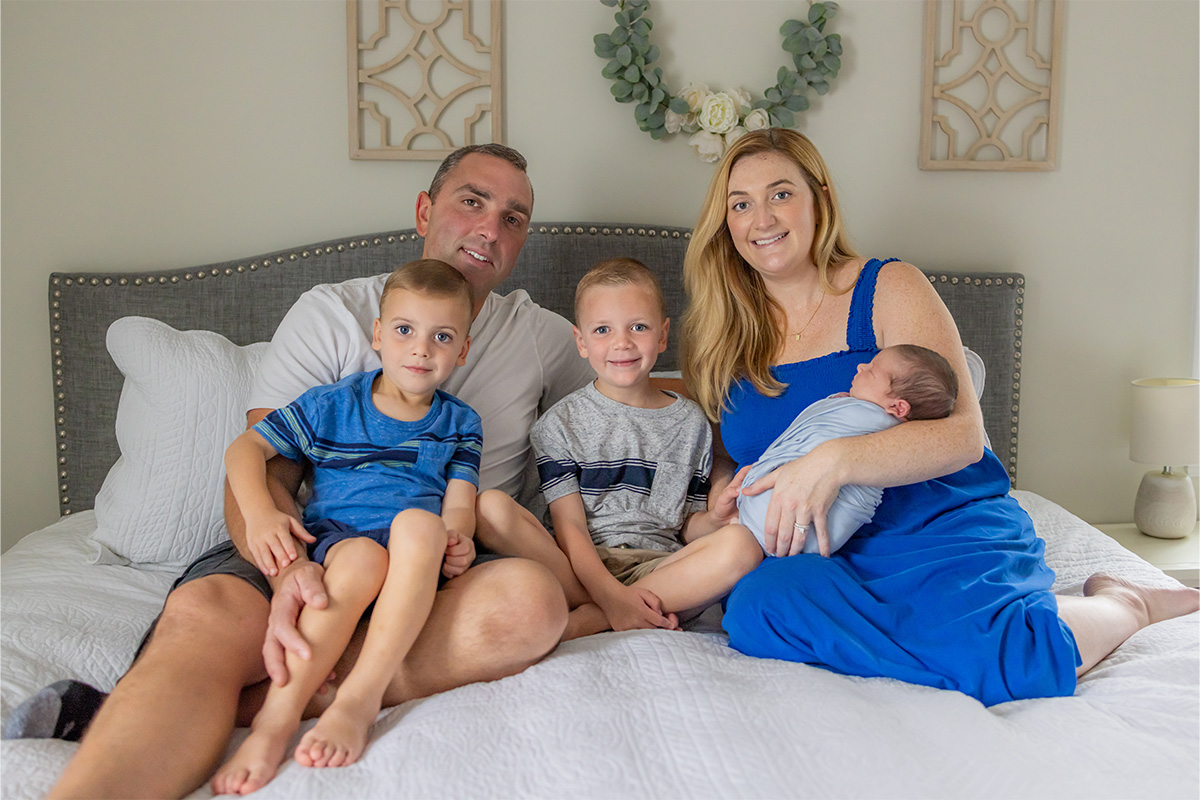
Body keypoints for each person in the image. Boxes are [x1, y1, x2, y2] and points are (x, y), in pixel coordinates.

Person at [20, 143, 595, 799]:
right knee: (208, 615)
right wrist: (289, 569)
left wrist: (717, 474)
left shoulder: (545, 336)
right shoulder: (333, 315)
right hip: (319, 542)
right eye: (472, 202)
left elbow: (640, 403)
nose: (491, 228)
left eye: (514, 217)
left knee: (530, 602)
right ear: (424, 210)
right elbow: (264, 466)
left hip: (442, 564)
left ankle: (256, 700)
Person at [681, 127, 1200, 706]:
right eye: (740, 204)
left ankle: (1123, 603)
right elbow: (729, 451)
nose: (762, 219)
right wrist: (720, 505)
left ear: (819, 197)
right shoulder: (721, 333)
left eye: (781, 194)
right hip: (825, 543)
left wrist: (834, 462)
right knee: (755, 610)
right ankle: (952, 644)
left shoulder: (887, 287)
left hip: (934, 517)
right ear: (725, 224)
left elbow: (963, 437)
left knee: (1023, 659)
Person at [212, 260, 482, 793]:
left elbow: (459, 500)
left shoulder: (461, 422)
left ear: (462, 351)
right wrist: (263, 514)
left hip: (418, 558)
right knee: (362, 558)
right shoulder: (333, 404)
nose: (421, 349)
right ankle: (276, 720)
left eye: (442, 336)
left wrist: (460, 537)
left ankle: (360, 699)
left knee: (421, 527)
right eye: (405, 330)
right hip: (342, 541)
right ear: (379, 335)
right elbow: (246, 448)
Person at [474, 258, 762, 640]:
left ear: (662, 336)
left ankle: (591, 620)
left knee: (742, 543)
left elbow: (686, 525)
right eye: (603, 329)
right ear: (581, 341)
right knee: (489, 507)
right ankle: (614, 609)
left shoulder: (692, 424)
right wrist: (611, 596)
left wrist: (716, 518)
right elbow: (570, 528)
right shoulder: (560, 424)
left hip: (659, 568)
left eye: (638, 327)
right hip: (577, 566)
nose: (621, 342)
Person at [738, 343, 957, 558]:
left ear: (898, 407)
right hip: (773, 520)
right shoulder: (860, 410)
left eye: (871, 371)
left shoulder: (886, 430)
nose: (861, 366)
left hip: (782, 520)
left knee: (735, 545)